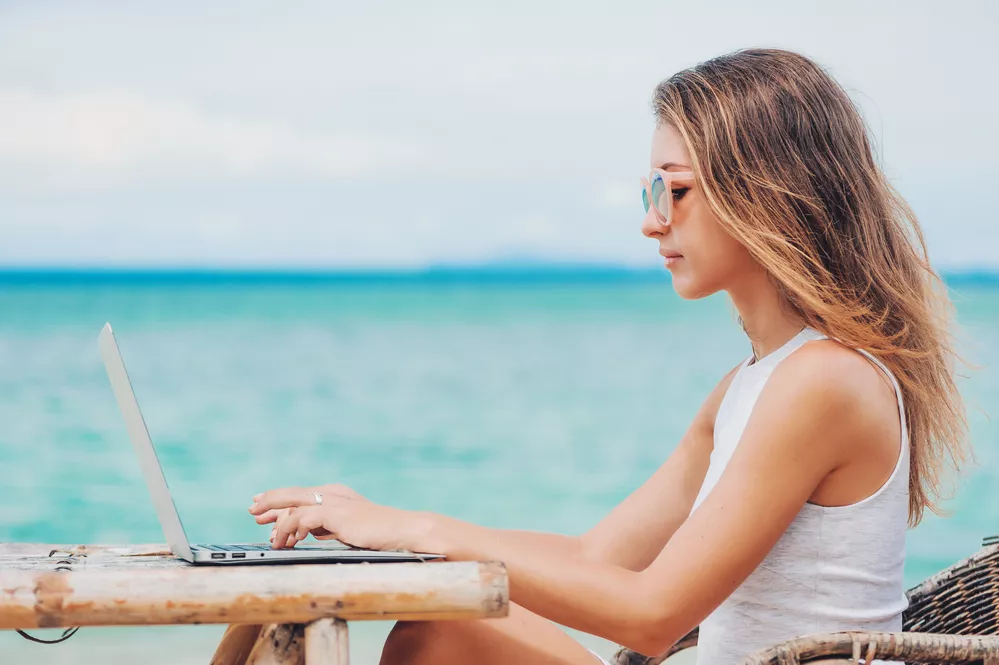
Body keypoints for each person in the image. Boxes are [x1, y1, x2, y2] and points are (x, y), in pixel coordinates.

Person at [248, 48, 971, 665]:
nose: (651, 220)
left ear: (768, 194)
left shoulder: (827, 380)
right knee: (431, 628)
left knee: (438, 633)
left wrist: (419, 531)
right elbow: (598, 559)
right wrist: (382, 519)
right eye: (651, 190)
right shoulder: (750, 385)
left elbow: (650, 614)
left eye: (677, 190)